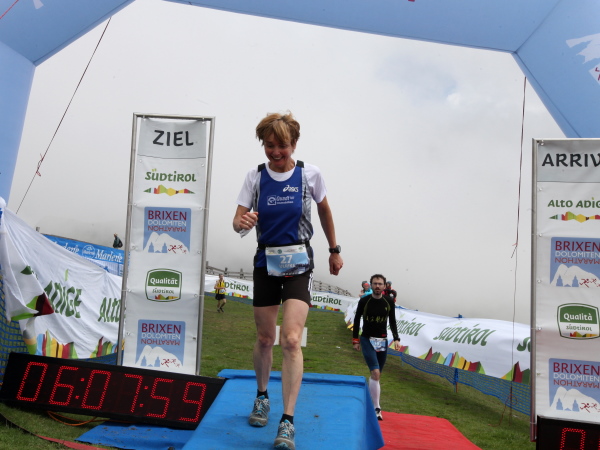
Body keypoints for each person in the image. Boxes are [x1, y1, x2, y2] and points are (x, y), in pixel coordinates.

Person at [233, 111, 343, 450]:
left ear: (294, 144)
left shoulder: (310, 174)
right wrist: (243, 223)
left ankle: (288, 420)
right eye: (269, 145)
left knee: (291, 340)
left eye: (282, 145)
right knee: (266, 338)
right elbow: (237, 221)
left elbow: (324, 210)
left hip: (299, 263)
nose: (276, 152)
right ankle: (262, 396)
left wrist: (334, 250)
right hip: (266, 262)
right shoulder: (255, 177)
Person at [352, 274, 400, 421]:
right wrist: (355, 339)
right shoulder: (364, 301)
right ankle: (376, 407)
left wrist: (396, 338)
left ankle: (370, 400)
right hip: (367, 339)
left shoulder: (389, 301)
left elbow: (392, 320)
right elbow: (357, 319)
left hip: (382, 340)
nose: (377, 286)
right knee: (375, 372)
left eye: (380, 284)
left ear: (384, 286)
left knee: (377, 375)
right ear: (371, 285)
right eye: (375, 283)